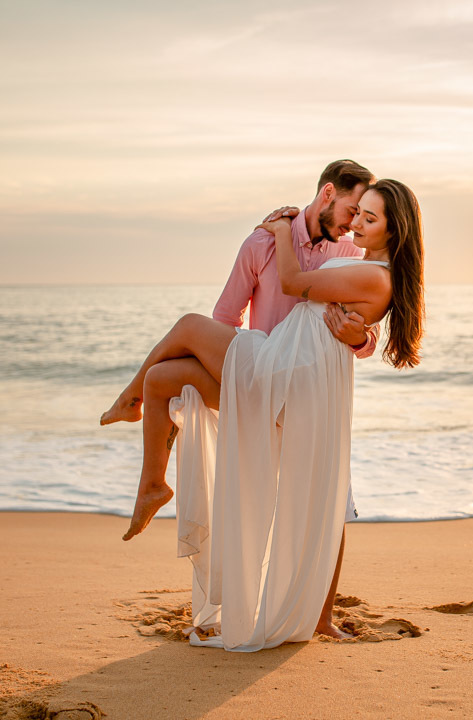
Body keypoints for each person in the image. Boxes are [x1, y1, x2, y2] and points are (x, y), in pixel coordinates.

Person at [102, 179, 424, 651]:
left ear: (395, 231)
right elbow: (327, 311)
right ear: (330, 195)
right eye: (356, 213)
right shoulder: (359, 262)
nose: (355, 223)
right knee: (166, 378)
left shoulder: (373, 273)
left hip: (287, 375)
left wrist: (279, 230)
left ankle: (128, 402)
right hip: (287, 371)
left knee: (190, 327)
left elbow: (296, 285)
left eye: (368, 218)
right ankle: (153, 480)